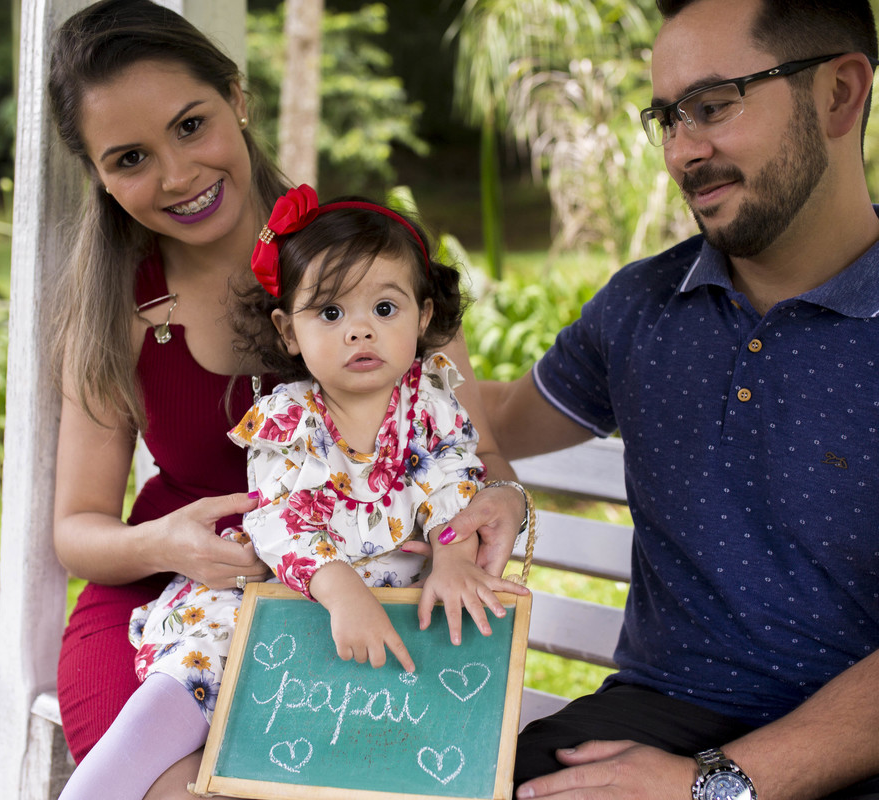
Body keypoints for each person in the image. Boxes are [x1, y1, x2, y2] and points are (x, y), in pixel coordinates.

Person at [484, 1, 879, 798]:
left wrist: (713, 786)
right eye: (667, 117)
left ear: (840, 95)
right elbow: (494, 419)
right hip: (656, 713)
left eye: (712, 105)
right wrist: (408, 323)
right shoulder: (645, 305)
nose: (682, 151)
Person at [45, 2, 525, 797]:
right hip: (169, 604)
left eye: (191, 125)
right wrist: (167, 542)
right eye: (130, 157)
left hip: (355, 600)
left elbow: (471, 455)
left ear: (237, 98)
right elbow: (78, 532)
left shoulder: (372, 264)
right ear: (98, 173)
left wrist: (497, 501)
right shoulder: (116, 307)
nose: (176, 175)